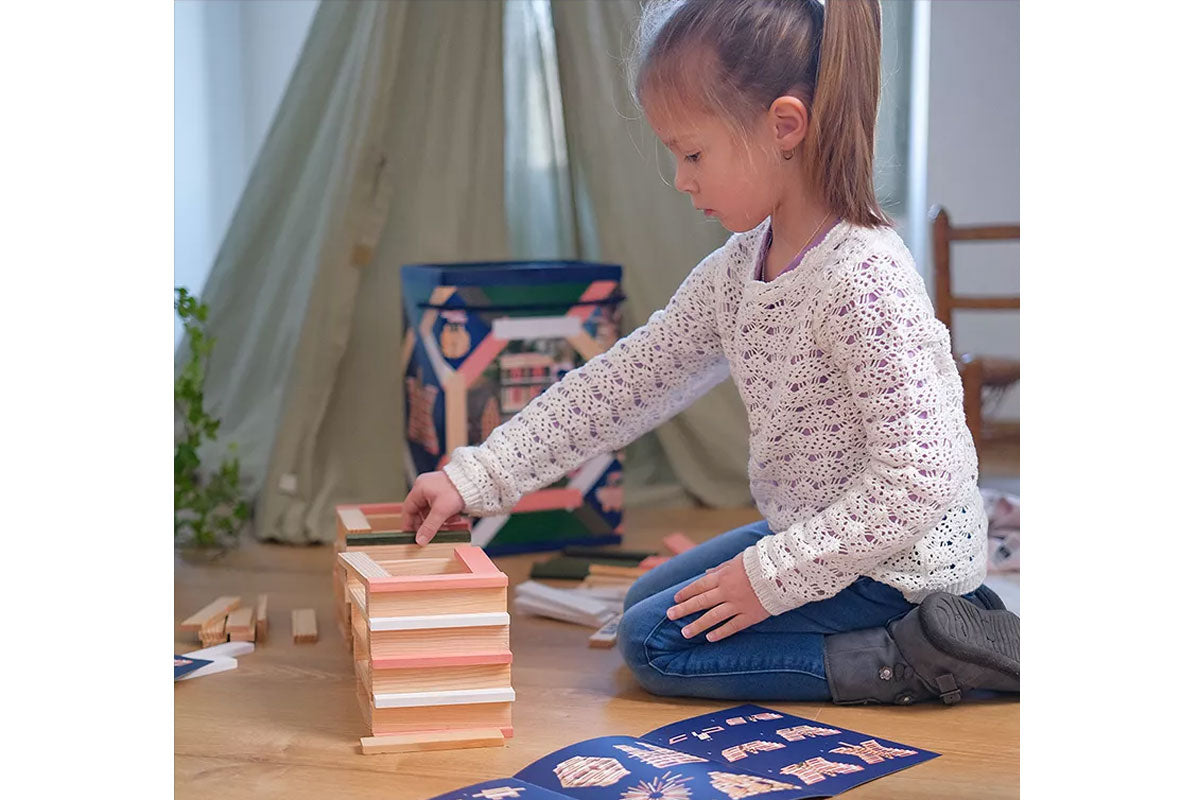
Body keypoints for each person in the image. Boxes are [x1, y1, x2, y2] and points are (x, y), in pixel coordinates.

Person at [401, 0, 1018, 706]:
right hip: (817, 532)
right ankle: (863, 624)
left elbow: (920, 481)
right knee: (648, 598)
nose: (682, 179)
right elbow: (626, 381)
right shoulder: (739, 269)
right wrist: (478, 477)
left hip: (898, 564)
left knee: (654, 645)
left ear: (785, 127)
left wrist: (768, 578)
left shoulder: (864, 283)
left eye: (693, 154)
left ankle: (916, 655)